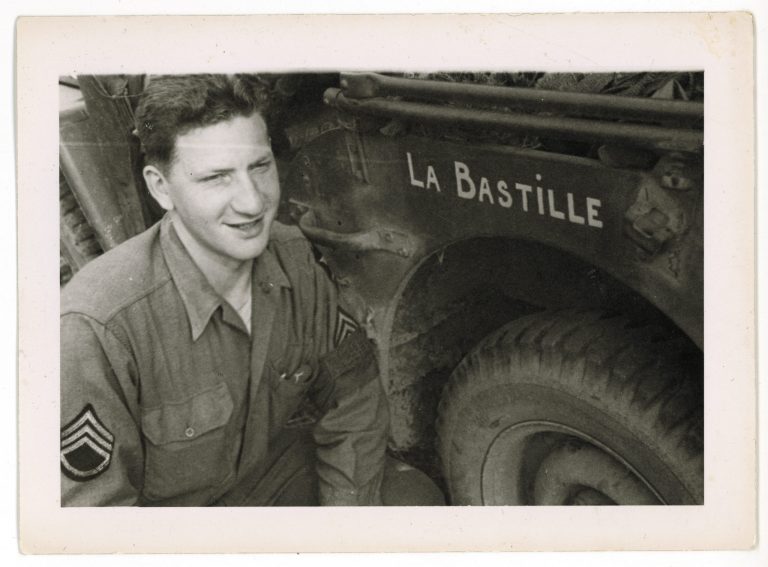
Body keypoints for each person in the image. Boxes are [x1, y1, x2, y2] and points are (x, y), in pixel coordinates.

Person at [60, 74, 443, 506]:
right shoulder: (98, 329)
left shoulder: (295, 259)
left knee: (412, 500)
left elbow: (352, 400)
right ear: (160, 187)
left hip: (268, 480)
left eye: (259, 167)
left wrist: (344, 527)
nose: (253, 202)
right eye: (217, 178)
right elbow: (93, 521)